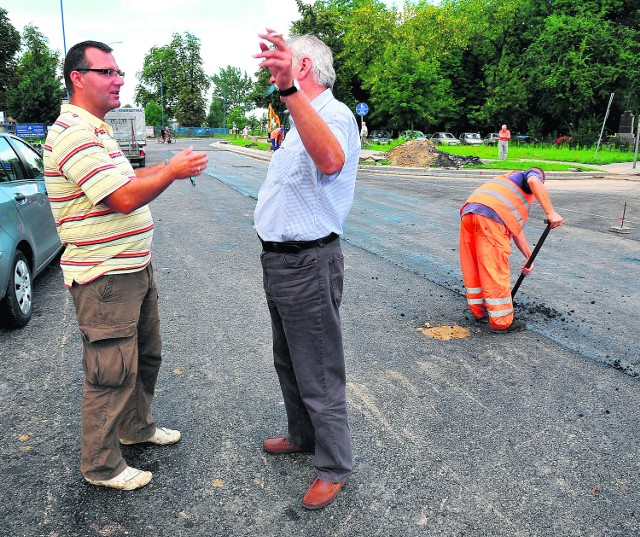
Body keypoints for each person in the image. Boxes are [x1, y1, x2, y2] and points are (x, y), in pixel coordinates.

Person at [43, 41, 208, 490]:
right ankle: (101, 466)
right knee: (110, 371)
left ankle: (135, 428)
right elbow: (121, 197)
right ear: (78, 77)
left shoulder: (98, 130)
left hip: (132, 267)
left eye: (120, 72)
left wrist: (162, 173)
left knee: (146, 357)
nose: (118, 80)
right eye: (108, 72)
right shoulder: (73, 133)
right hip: (105, 276)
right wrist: (171, 170)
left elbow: (127, 180)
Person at [253, 30, 360, 510]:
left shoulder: (332, 115)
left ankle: (334, 466)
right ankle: (302, 436)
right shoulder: (300, 118)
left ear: (305, 69)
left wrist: (289, 91)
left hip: (308, 262)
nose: (275, 69)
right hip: (280, 262)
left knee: (317, 369)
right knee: (289, 360)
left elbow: (332, 161)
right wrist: (287, 94)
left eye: (286, 63)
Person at [459, 168, 563, 333]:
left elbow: (517, 231)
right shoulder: (533, 174)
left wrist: (529, 258)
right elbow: (534, 181)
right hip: (491, 218)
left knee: (474, 265)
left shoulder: (506, 184)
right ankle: (501, 322)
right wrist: (551, 212)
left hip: (470, 213)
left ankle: (481, 311)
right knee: (495, 267)